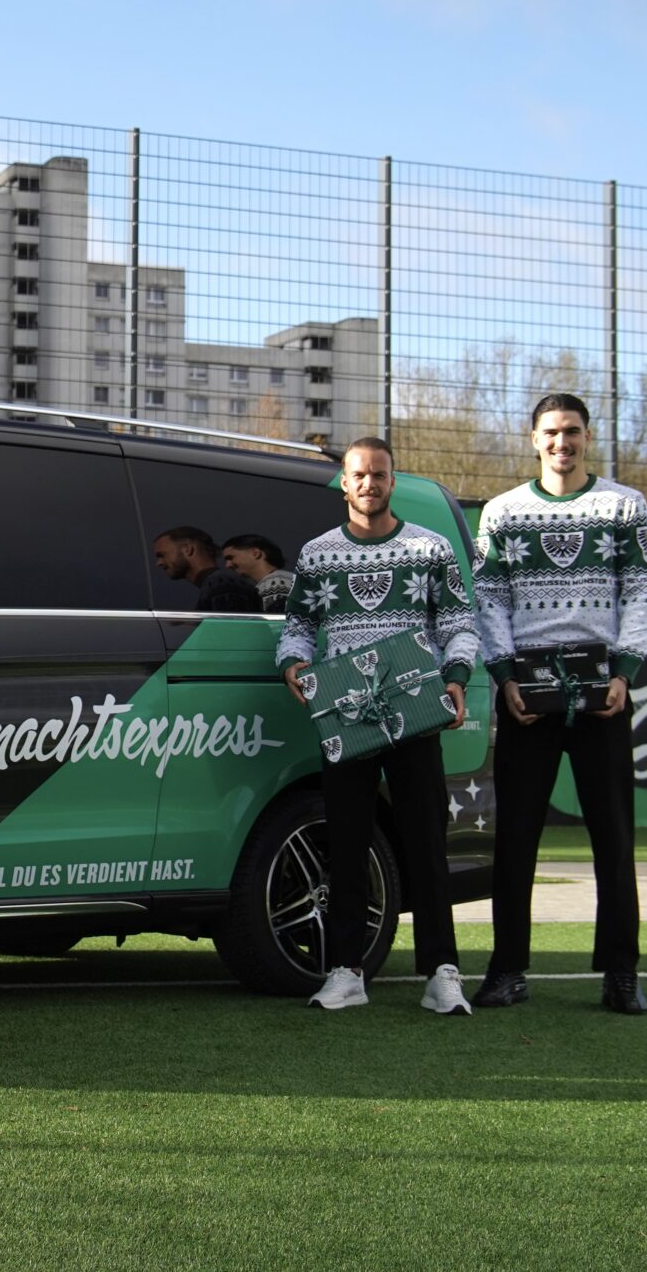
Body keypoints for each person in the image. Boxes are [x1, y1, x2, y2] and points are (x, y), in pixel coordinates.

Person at [274, 436, 479, 1017]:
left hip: (414, 716)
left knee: (425, 845)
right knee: (346, 843)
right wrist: (293, 665)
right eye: (359, 475)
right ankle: (346, 971)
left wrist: (457, 675)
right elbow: (296, 629)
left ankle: (442, 973)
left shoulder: (430, 548)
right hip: (347, 719)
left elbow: (460, 622)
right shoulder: (317, 555)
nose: (369, 484)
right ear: (345, 482)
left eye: (380, 475)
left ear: (394, 481)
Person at [471, 393, 647, 1016]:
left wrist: (625, 672)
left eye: (572, 432)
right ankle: (506, 971)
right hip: (528, 690)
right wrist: (503, 678)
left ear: (588, 436)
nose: (562, 443)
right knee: (516, 837)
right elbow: (489, 599)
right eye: (551, 432)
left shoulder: (624, 505)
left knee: (613, 836)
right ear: (532, 438)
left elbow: (641, 588)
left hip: (602, 686)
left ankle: (622, 973)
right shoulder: (502, 512)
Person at [152, 524, 263, 613]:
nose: (159, 563)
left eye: (162, 555)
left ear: (187, 550)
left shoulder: (221, 582)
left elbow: (231, 634)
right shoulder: (217, 583)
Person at [221, 532, 294, 614]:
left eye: (230, 558)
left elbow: (276, 624)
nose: (227, 565)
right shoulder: (280, 579)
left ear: (255, 553)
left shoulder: (275, 580)